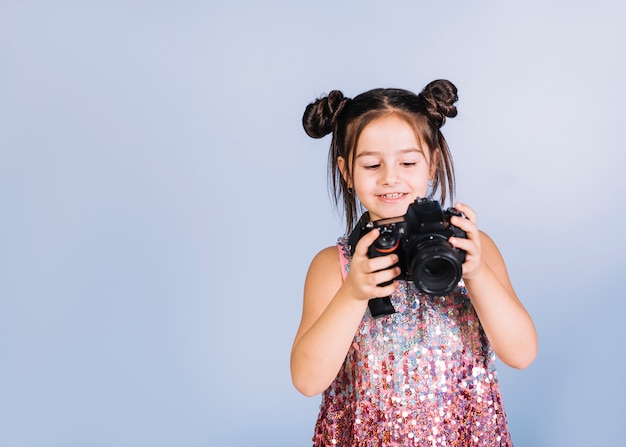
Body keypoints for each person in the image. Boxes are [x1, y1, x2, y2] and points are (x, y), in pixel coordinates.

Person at [290, 79, 538, 446]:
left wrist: (478, 272)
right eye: (372, 164)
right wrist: (354, 294)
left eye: (407, 161)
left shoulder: (470, 246)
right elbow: (308, 380)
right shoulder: (336, 265)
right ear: (346, 172)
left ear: (432, 163)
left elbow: (521, 354)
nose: (391, 177)